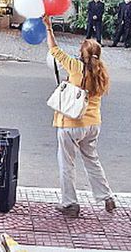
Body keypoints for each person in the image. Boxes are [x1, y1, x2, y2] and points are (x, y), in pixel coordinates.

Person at [44, 16, 116, 218]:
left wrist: (49, 28)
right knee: (92, 160)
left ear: (81, 54)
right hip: (93, 124)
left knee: (67, 163)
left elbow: (54, 50)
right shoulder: (102, 73)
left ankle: (70, 203)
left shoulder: (76, 67)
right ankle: (107, 197)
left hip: (71, 123)